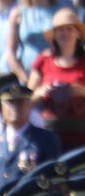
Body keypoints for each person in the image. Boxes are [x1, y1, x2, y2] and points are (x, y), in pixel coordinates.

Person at [0, 77, 61, 196]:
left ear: (30, 105)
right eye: (10, 102)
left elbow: (54, 183)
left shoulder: (45, 140)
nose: (16, 107)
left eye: (21, 102)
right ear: (1, 106)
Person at [28, 8, 85, 148]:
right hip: (49, 132)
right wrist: (41, 93)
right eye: (60, 30)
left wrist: (81, 91)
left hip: (81, 132)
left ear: (77, 33)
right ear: (54, 35)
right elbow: (27, 98)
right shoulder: (43, 59)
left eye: (69, 29)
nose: (65, 33)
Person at [6, 0, 63, 83]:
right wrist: (23, 77)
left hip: (55, 75)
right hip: (27, 75)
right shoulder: (17, 13)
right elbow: (10, 52)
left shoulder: (61, 12)